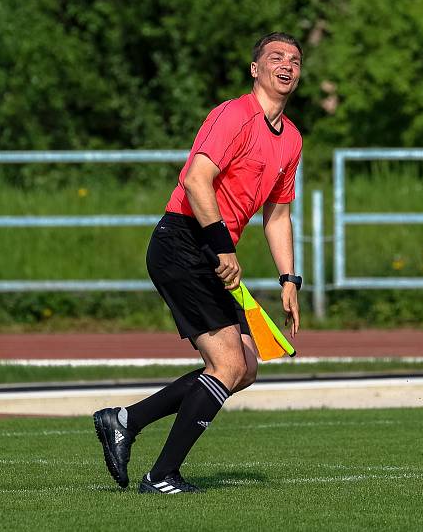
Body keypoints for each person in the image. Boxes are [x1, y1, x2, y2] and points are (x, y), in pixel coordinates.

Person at [93, 32, 303, 494]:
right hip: (182, 243)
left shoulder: (290, 139)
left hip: (211, 251)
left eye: (294, 59)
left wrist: (289, 278)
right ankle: (162, 475)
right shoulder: (233, 114)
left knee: (245, 367)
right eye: (275, 57)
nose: (286, 64)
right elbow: (195, 180)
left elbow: (278, 213)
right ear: (255, 69)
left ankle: (125, 419)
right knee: (227, 364)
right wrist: (223, 247)